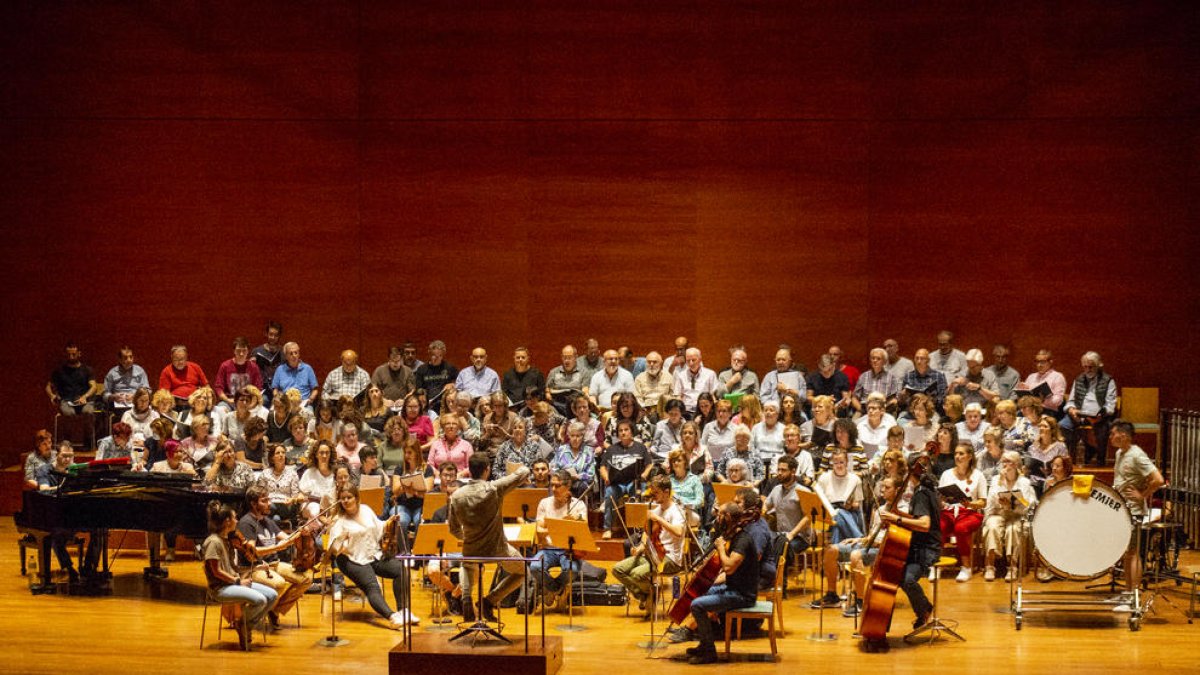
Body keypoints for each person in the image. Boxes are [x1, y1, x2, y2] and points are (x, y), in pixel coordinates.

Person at [448, 454, 530, 622]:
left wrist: (468, 537)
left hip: (471, 549)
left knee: (468, 563)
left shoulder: (456, 496)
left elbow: (453, 529)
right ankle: (489, 601)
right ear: (487, 470)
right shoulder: (494, 489)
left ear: (469, 470)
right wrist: (514, 468)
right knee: (523, 571)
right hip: (497, 549)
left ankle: (465, 598)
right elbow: (523, 472)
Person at [679, 502, 760, 665]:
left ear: (728, 517)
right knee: (700, 592)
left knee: (697, 605)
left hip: (742, 595)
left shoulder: (742, 540)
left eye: (719, 514)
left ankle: (709, 652)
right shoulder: (733, 535)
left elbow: (729, 567)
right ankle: (704, 644)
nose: (716, 517)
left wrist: (721, 548)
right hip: (732, 588)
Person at [327, 485, 418, 627]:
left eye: (349, 497)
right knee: (372, 586)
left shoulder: (365, 510)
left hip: (372, 554)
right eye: (342, 498)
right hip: (351, 559)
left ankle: (403, 611)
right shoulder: (339, 520)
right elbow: (333, 549)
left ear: (356, 498)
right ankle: (392, 617)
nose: (345, 501)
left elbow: (379, 527)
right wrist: (340, 539)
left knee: (401, 570)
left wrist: (390, 521)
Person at [811, 475, 901, 615]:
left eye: (887, 488)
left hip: (886, 550)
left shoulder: (903, 511)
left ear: (898, 490)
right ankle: (832, 595)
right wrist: (858, 539)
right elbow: (873, 535)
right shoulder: (880, 509)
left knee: (855, 555)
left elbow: (897, 539)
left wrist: (872, 541)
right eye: (882, 487)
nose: (882, 490)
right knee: (831, 550)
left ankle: (860, 601)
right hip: (870, 545)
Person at [202, 500, 279, 649]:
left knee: (272, 595)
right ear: (227, 522)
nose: (237, 520)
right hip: (220, 588)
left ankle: (245, 625)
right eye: (235, 517)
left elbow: (234, 568)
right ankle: (243, 625)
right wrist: (237, 582)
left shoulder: (226, 541)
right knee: (260, 600)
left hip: (232, 583)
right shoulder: (213, 542)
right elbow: (215, 571)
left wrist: (257, 568)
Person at [880, 455, 941, 631]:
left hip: (927, 549)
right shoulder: (923, 490)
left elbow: (924, 524)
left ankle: (924, 610)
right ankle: (921, 611)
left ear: (909, 471)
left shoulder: (921, 493)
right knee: (895, 572)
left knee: (906, 578)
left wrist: (896, 518)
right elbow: (915, 519)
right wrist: (899, 515)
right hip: (919, 546)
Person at [612, 475, 686, 615]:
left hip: (669, 559)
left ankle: (650, 593)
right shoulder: (657, 509)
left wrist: (658, 518)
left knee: (636, 574)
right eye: (652, 492)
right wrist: (640, 546)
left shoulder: (676, 511)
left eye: (656, 492)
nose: (653, 495)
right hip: (652, 554)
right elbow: (647, 532)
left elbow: (678, 531)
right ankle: (646, 594)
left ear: (666, 492)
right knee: (618, 569)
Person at [236, 485, 311, 625]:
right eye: (264, 500)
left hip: (273, 565)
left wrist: (300, 532)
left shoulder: (268, 521)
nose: (269, 503)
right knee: (279, 583)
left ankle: (274, 610)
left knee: (306, 578)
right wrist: (276, 547)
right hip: (255, 568)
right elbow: (253, 551)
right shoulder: (246, 523)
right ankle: (257, 614)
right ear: (253, 504)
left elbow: (286, 538)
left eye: (269, 499)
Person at [1109, 419, 1165, 592]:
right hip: (1122, 509)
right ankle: (1127, 592)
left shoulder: (1137, 454)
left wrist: (1143, 495)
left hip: (1133, 511)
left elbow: (1158, 479)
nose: (1110, 437)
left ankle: (1134, 594)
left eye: (1113, 433)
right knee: (1127, 553)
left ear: (1123, 435)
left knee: (1133, 553)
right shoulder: (1120, 453)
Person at [531, 469, 589, 611]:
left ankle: (552, 590)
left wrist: (572, 521)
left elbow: (583, 529)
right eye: (552, 485)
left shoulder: (578, 505)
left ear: (567, 486)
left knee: (571, 570)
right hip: (548, 549)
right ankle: (558, 590)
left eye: (557, 486)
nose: (553, 489)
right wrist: (559, 526)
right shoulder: (544, 503)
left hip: (567, 550)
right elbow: (539, 530)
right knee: (534, 567)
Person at [982, 451, 1036, 581]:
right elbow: (990, 502)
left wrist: (1015, 504)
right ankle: (990, 566)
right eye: (1003, 461)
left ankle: (1012, 567)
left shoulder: (1024, 482)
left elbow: (1028, 505)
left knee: (1013, 529)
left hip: (1017, 514)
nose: (1005, 465)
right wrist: (1001, 500)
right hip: (999, 512)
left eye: (1008, 461)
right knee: (992, 526)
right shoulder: (996, 480)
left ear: (1016, 464)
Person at [938, 441, 987, 582]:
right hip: (949, 511)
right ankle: (936, 565)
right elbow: (941, 498)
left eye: (961, 453)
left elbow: (983, 502)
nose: (957, 456)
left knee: (961, 528)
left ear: (970, 456)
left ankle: (966, 567)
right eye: (956, 454)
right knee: (938, 527)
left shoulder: (979, 475)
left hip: (970, 513)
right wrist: (941, 501)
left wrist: (970, 503)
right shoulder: (946, 474)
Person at [1061, 351, 1119, 465]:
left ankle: (1100, 462)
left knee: (1103, 429)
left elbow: (1110, 405)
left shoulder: (1108, 380)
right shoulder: (1078, 380)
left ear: (1098, 366)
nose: (1087, 370)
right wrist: (1072, 410)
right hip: (1079, 413)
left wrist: (1100, 415)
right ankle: (1069, 460)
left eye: (1091, 367)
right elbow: (1071, 401)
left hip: (1098, 416)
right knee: (1063, 425)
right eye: (1085, 367)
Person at [600, 419, 654, 538]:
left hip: (634, 481)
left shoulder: (640, 448)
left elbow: (649, 464)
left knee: (639, 492)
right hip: (617, 483)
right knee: (609, 493)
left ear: (631, 432)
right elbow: (602, 466)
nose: (623, 433)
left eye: (626, 430)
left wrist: (644, 474)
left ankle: (639, 528)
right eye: (620, 430)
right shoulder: (611, 449)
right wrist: (606, 477)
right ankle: (607, 528)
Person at [764, 455, 813, 571]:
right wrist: (762, 511)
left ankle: (779, 584)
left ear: (793, 471)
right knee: (763, 543)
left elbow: (808, 517)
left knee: (782, 548)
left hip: (800, 538)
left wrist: (791, 534)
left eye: (783, 470)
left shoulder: (803, 491)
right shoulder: (776, 489)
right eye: (778, 470)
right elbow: (765, 505)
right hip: (780, 535)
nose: (779, 473)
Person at [815, 448, 864, 544]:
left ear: (847, 462)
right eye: (836, 463)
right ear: (831, 463)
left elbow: (858, 504)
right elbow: (818, 503)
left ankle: (835, 553)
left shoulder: (855, 479)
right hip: (828, 514)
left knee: (837, 524)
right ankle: (859, 538)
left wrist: (851, 505)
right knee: (837, 512)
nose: (839, 465)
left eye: (841, 462)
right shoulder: (823, 478)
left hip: (850, 512)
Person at [47, 342, 103, 415]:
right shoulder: (59, 371)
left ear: (79, 354)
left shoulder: (87, 370)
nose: (71, 357)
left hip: (85, 400)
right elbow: (48, 386)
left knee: (87, 411)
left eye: (73, 354)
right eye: (68, 355)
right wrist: (52, 395)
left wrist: (85, 397)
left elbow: (94, 387)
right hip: (67, 401)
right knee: (69, 413)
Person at [213, 337, 263, 410]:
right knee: (221, 409)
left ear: (248, 351)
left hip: (249, 401)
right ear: (234, 351)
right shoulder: (225, 366)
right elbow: (218, 388)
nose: (241, 353)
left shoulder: (253, 367)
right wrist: (227, 400)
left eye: (244, 350)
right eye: (238, 350)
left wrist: (252, 403)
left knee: (261, 410)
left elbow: (258, 388)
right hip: (230, 401)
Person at [551, 421, 596, 498]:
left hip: (579, 483)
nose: (575, 439)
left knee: (580, 486)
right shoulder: (562, 450)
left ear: (583, 436)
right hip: (562, 482)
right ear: (569, 436)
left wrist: (578, 476)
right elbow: (553, 468)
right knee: (555, 486)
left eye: (578, 436)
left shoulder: (588, 451)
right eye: (572, 436)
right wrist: (563, 478)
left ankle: (577, 508)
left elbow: (591, 475)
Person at [1027, 417, 1069, 496]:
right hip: (1035, 483)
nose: (1041, 428)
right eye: (1040, 426)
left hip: (1053, 482)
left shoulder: (1060, 446)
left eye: (1045, 426)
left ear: (1052, 430)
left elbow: (1065, 467)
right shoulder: (1033, 447)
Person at [260, 444, 303, 522]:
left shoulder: (292, 473)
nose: (281, 455)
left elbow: (295, 495)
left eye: (283, 453)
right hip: (270, 504)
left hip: (286, 506)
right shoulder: (265, 473)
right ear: (272, 458)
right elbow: (260, 493)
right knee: (276, 518)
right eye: (278, 453)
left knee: (272, 509)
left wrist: (291, 500)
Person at [1018, 349, 1067, 416]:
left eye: (1042, 362)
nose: (1039, 365)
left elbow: (1058, 401)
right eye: (1037, 362)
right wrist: (1023, 391)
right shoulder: (1031, 377)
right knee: (1016, 416)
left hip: (1048, 411)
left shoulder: (1058, 377)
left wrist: (1042, 400)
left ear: (1050, 362)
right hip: (1030, 409)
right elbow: (1024, 400)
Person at [271, 342, 320, 409]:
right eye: (291, 353)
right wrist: (278, 399)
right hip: (285, 404)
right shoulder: (280, 370)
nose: (294, 355)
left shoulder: (307, 368)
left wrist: (310, 399)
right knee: (271, 413)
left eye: (296, 353)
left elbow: (315, 389)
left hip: (304, 404)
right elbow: (275, 389)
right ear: (286, 356)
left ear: (299, 354)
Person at [414, 340, 459, 412]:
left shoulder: (450, 368)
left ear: (443, 355)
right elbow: (419, 389)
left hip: (445, 404)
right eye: (433, 355)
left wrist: (453, 384)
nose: (436, 358)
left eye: (439, 356)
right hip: (427, 404)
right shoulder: (422, 369)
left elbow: (460, 384)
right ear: (429, 354)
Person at [853, 348, 901, 414]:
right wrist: (862, 410)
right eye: (873, 358)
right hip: (864, 410)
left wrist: (882, 410)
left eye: (878, 359)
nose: (875, 360)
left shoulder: (892, 378)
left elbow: (895, 399)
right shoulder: (863, 376)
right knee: (854, 423)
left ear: (884, 361)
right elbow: (854, 398)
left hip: (884, 410)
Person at [103, 346, 150, 412]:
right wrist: (113, 397)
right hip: (119, 406)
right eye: (125, 358)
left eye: (131, 357)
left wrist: (135, 396)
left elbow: (148, 390)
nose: (129, 360)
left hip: (137, 404)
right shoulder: (112, 373)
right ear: (119, 360)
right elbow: (105, 395)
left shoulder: (140, 371)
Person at [671, 348, 717, 415]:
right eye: (688, 361)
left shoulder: (710, 374)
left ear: (700, 359)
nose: (691, 363)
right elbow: (678, 397)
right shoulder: (680, 376)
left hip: (704, 411)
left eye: (693, 360)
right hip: (686, 411)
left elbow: (712, 396)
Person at [252, 322, 285, 405]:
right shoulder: (257, 351)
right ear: (266, 334)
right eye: (270, 334)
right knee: (264, 400)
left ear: (279, 336)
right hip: (263, 388)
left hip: (279, 388)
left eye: (276, 335)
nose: (273, 337)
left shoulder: (283, 352)